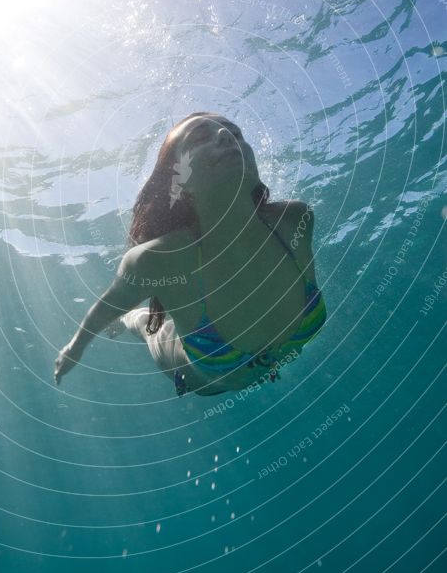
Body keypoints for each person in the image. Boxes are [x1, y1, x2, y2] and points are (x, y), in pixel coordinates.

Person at [54, 112, 327, 396]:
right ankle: (128, 321)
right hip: (199, 378)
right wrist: (74, 349)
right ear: (178, 181)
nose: (225, 136)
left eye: (235, 134)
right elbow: (108, 305)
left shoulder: (294, 221)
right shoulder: (157, 260)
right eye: (200, 138)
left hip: (233, 366)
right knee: (144, 323)